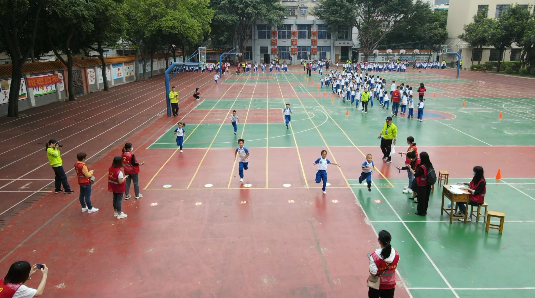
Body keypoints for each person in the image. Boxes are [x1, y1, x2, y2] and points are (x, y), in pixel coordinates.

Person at [367, 230, 399, 298]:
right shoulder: (396, 254)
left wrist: (371, 261)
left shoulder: (374, 256)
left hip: (376, 285)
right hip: (390, 284)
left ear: (379, 241)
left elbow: (373, 272)